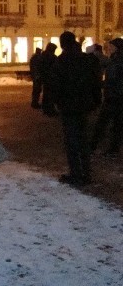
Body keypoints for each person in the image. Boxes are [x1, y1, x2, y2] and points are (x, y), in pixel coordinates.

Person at [51, 31, 102, 187]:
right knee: (83, 140)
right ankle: (86, 174)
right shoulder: (87, 60)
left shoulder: (62, 61)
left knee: (72, 142)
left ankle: (76, 174)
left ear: (62, 44)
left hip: (69, 107)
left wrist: (56, 103)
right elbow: (96, 82)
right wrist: (95, 101)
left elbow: (55, 87)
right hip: (84, 106)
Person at [90, 37, 123, 157]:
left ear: (117, 48)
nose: (109, 48)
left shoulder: (117, 60)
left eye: (111, 46)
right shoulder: (114, 59)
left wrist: (101, 84)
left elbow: (113, 80)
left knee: (105, 122)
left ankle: (95, 145)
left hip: (114, 96)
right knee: (115, 124)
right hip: (115, 95)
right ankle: (112, 148)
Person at [38, 43, 58, 116]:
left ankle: (46, 109)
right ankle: (49, 109)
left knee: (46, 94)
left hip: (46, 78)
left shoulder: (43, 56)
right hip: (50, 78)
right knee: (49, 94)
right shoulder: (50, 57)